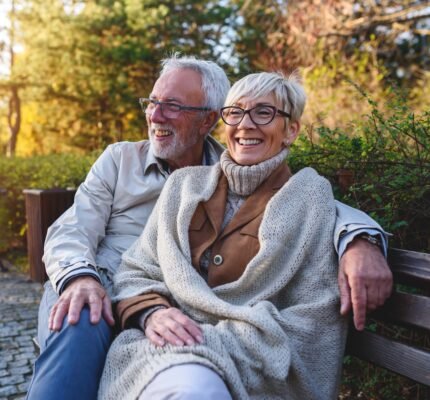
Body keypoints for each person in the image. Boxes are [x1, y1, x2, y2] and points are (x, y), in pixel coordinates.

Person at [26, 56, 391, 400]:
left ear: (207, 120)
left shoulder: (232, 167)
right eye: (152, 102)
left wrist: (361, 240)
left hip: (171, 318)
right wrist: (81, 279)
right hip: (102, 288)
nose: (156, 115)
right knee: (79, 317)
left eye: (172, 105)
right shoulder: (123, 160)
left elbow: (310, 200)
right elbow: (71, 230)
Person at [99, 71, 353, 399]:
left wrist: (209, 340)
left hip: (250, 359)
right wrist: (153, 312)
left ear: (291, 130)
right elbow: (137, 270)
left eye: (264, 112)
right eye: (235, 112)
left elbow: (314, 314)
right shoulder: (182, 186)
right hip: (161, 348)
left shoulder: (310, 197)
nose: (246, 124)